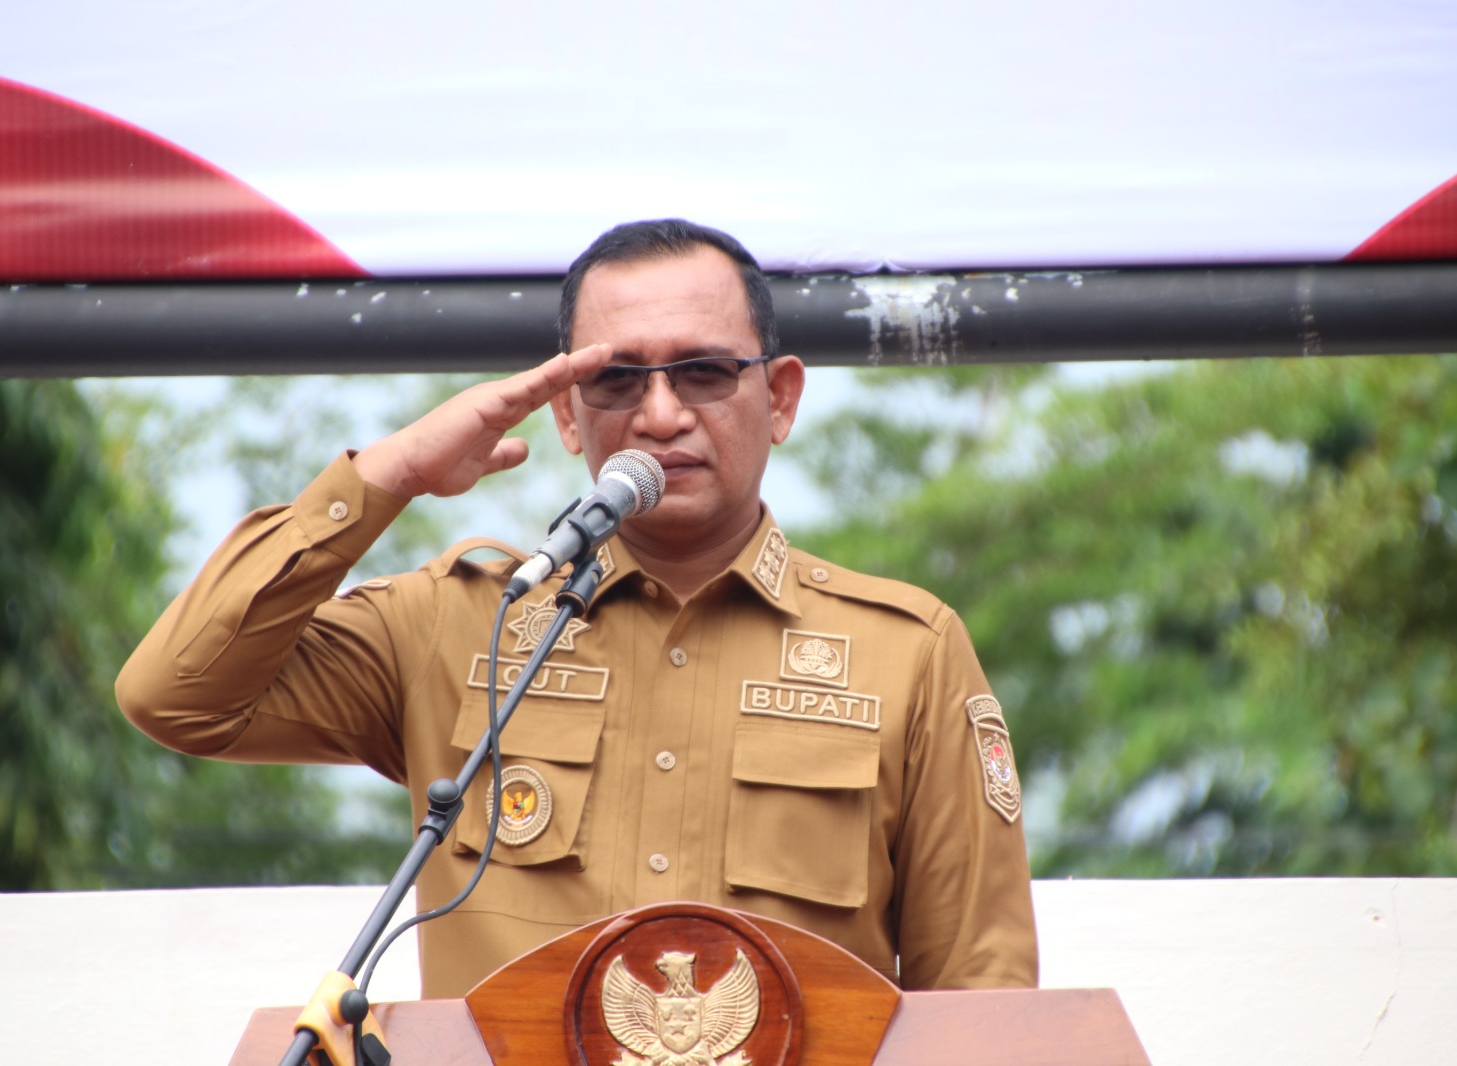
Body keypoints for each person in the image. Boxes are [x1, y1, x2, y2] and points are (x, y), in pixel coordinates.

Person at [116, 219, 1038, 998]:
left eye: (704, 372)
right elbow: (178, 696)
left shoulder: (906, 653)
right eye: (616, 381)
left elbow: (984, 996)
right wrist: (386, 476)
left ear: (781, 397)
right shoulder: (457, 622)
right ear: (567, 415)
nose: (661, 415)